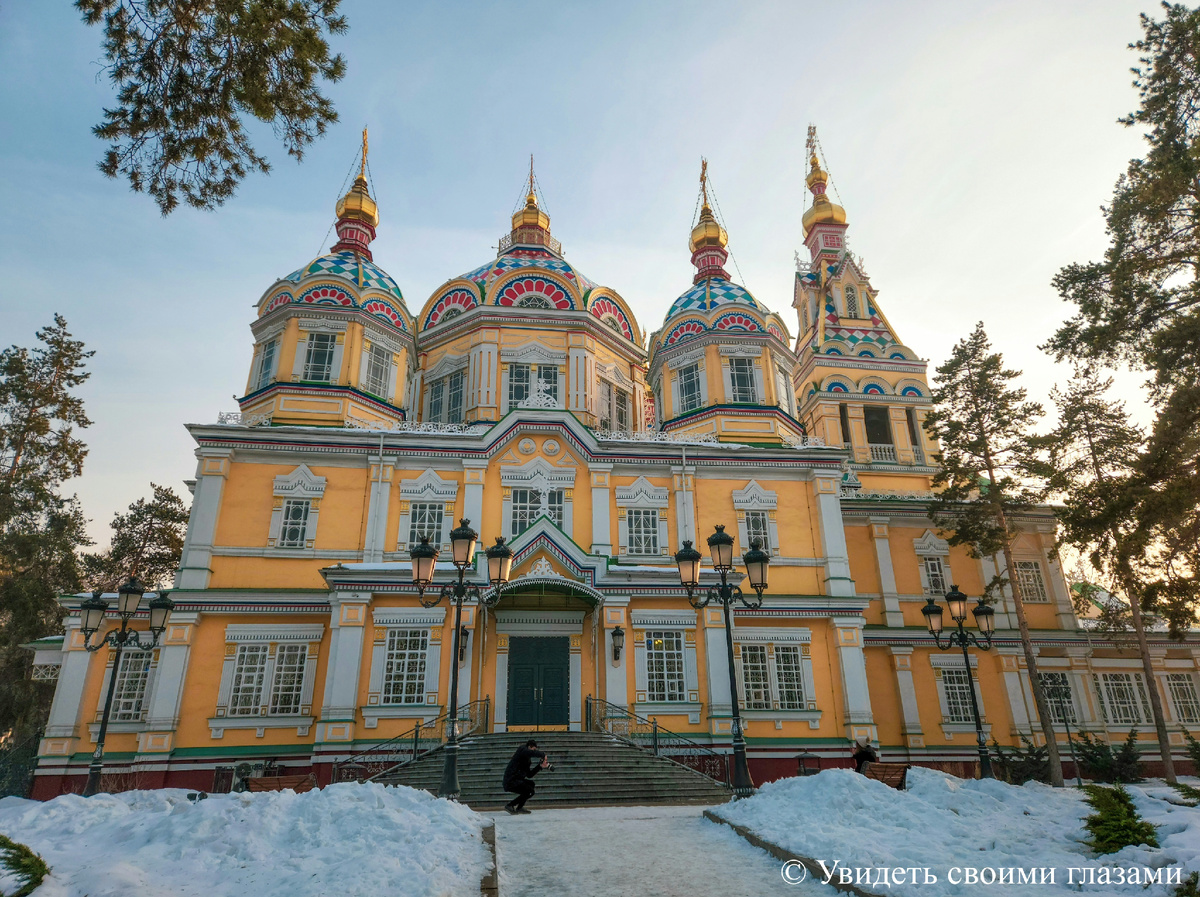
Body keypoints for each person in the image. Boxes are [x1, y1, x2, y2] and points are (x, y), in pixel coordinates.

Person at [502, 738, 549, 814]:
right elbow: (528, 752)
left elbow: (529, 775)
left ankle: (519, 808)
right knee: (529, 791)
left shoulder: (527, 760)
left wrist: (540, 766)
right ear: (529, 746)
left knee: (531, 785)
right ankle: (510, 805)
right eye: (533, 750)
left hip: (516, 780)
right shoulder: (522, 750)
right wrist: (543, 754)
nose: (533, 752)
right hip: (510, 780)